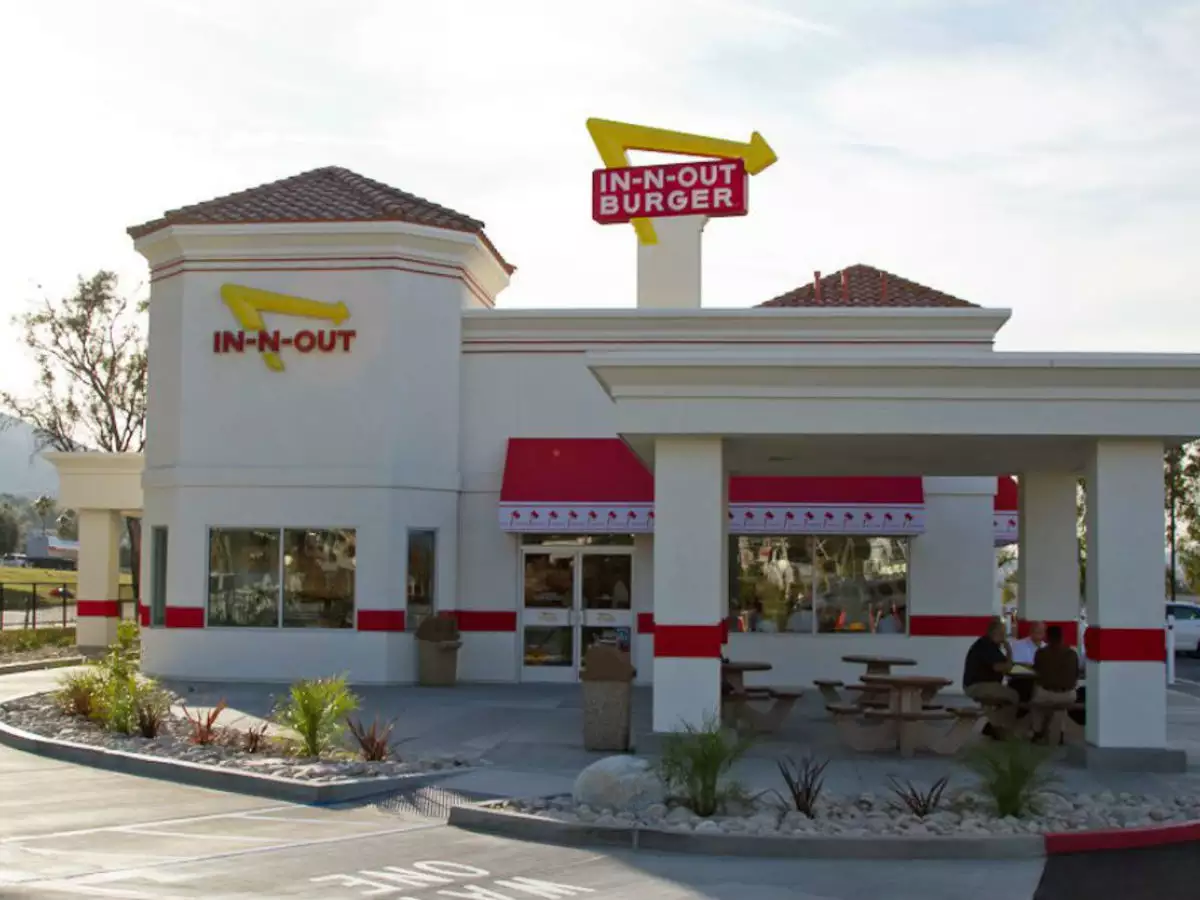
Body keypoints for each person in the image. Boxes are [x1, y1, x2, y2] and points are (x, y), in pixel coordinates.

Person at [963, 618, 1019, 734]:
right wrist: (1009, 650)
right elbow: (1001, 667)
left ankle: (994, 725)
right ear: (995, 633)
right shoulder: (986, 645)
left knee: (1006, 695)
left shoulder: (991, 646)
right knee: (1014, 696)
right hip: (977, 685)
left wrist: (1008, 661)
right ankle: (1002, 727)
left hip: (982, 684)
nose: (1004, 637)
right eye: (1002, 634)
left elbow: (1006, 665)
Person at [1031, 625, 1080, 744]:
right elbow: (1076, 674)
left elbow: (1037, 671)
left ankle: (1037, 731)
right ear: (1062, 637)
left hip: (1046, 695)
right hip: (1068, 696)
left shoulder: (1041, 653)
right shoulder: (1072, 654)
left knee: (1035, 704)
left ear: (1047, 637)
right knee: (1061, 706)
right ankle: (1060, 732)